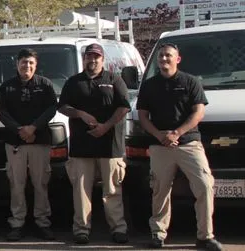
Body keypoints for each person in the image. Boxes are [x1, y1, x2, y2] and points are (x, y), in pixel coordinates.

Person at [137, 43, 222, 251]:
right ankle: (158, 234)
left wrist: (177, 133)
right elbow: (143, 117)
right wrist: (160, 135)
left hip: (189, 144)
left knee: (204, 185)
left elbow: (198, 113)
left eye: (168, 56)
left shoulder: (191, 82)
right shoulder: (149, 86)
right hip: (160, 146)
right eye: (161, 57)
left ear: (178, 59)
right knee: (159, 190)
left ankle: (205, 236)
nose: (164, 60)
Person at [57, 43, 130, 245]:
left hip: (110, 146)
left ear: (102, 59)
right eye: (89, 56)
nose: (93, 60)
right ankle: (81, 229)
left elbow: (124, 107)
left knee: (112, 191)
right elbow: (62, 106)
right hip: (81, 146)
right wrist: (79, 113)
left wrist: (105, 127)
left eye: (96, 56)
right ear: (84, 59)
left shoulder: (114, 79)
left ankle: (118, 228)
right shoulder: (73, 82)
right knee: (81, 191)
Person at [0, 49, 58, 241]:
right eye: (24, 62)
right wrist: (20, 130)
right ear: (17, 64)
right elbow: (1, 112)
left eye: (31, 63)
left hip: (40, 141)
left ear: (36, 65)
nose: (27, 66)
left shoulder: (45, 85)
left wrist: (33, 128)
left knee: (41, 183)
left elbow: (51, 109)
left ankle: (42, 222)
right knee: (16, 184)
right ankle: (17, 223)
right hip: (15, 142)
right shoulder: (6, 87)